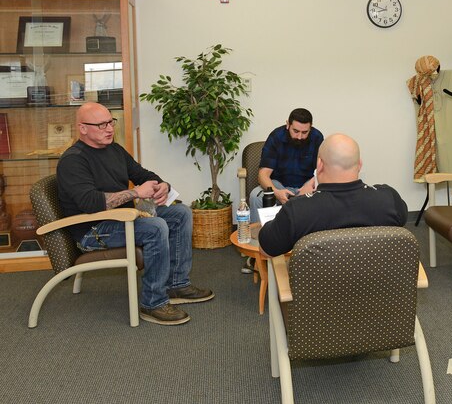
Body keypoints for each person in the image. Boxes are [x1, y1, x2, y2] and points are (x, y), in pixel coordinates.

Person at [57, 102, 213, 326]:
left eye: (111, 122)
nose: (109, 129)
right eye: (101, 125)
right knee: (155, 227)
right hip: (94, 228)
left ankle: (176, 284)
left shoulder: (114, 149)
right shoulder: (73, 160)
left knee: (181, 212)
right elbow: (91, 203)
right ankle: (153, 303)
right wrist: (136, 192)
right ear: (83, 128)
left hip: (124, 217)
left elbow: (141, 173)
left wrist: (162, 185)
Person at [258, 133, 408, 257]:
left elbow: (266, 250)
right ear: (360, 164)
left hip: (318, 291)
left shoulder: (297, 210)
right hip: (377, 288)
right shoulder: (389, 199)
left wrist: (299, 199)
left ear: (320, 165)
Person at [248, 108, 324, 220]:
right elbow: (263, 175)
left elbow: (322, 169)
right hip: (279, 186)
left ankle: (313, 236)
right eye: (296, 131)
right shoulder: (276, 137)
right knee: (255, 196)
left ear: (310, 128)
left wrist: (310, 185)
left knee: (325, 195)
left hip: (306, 187)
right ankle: (259, 236)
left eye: (305, 132)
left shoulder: (317, 137)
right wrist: (277, 192)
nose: (300, 137)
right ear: (288, 124)